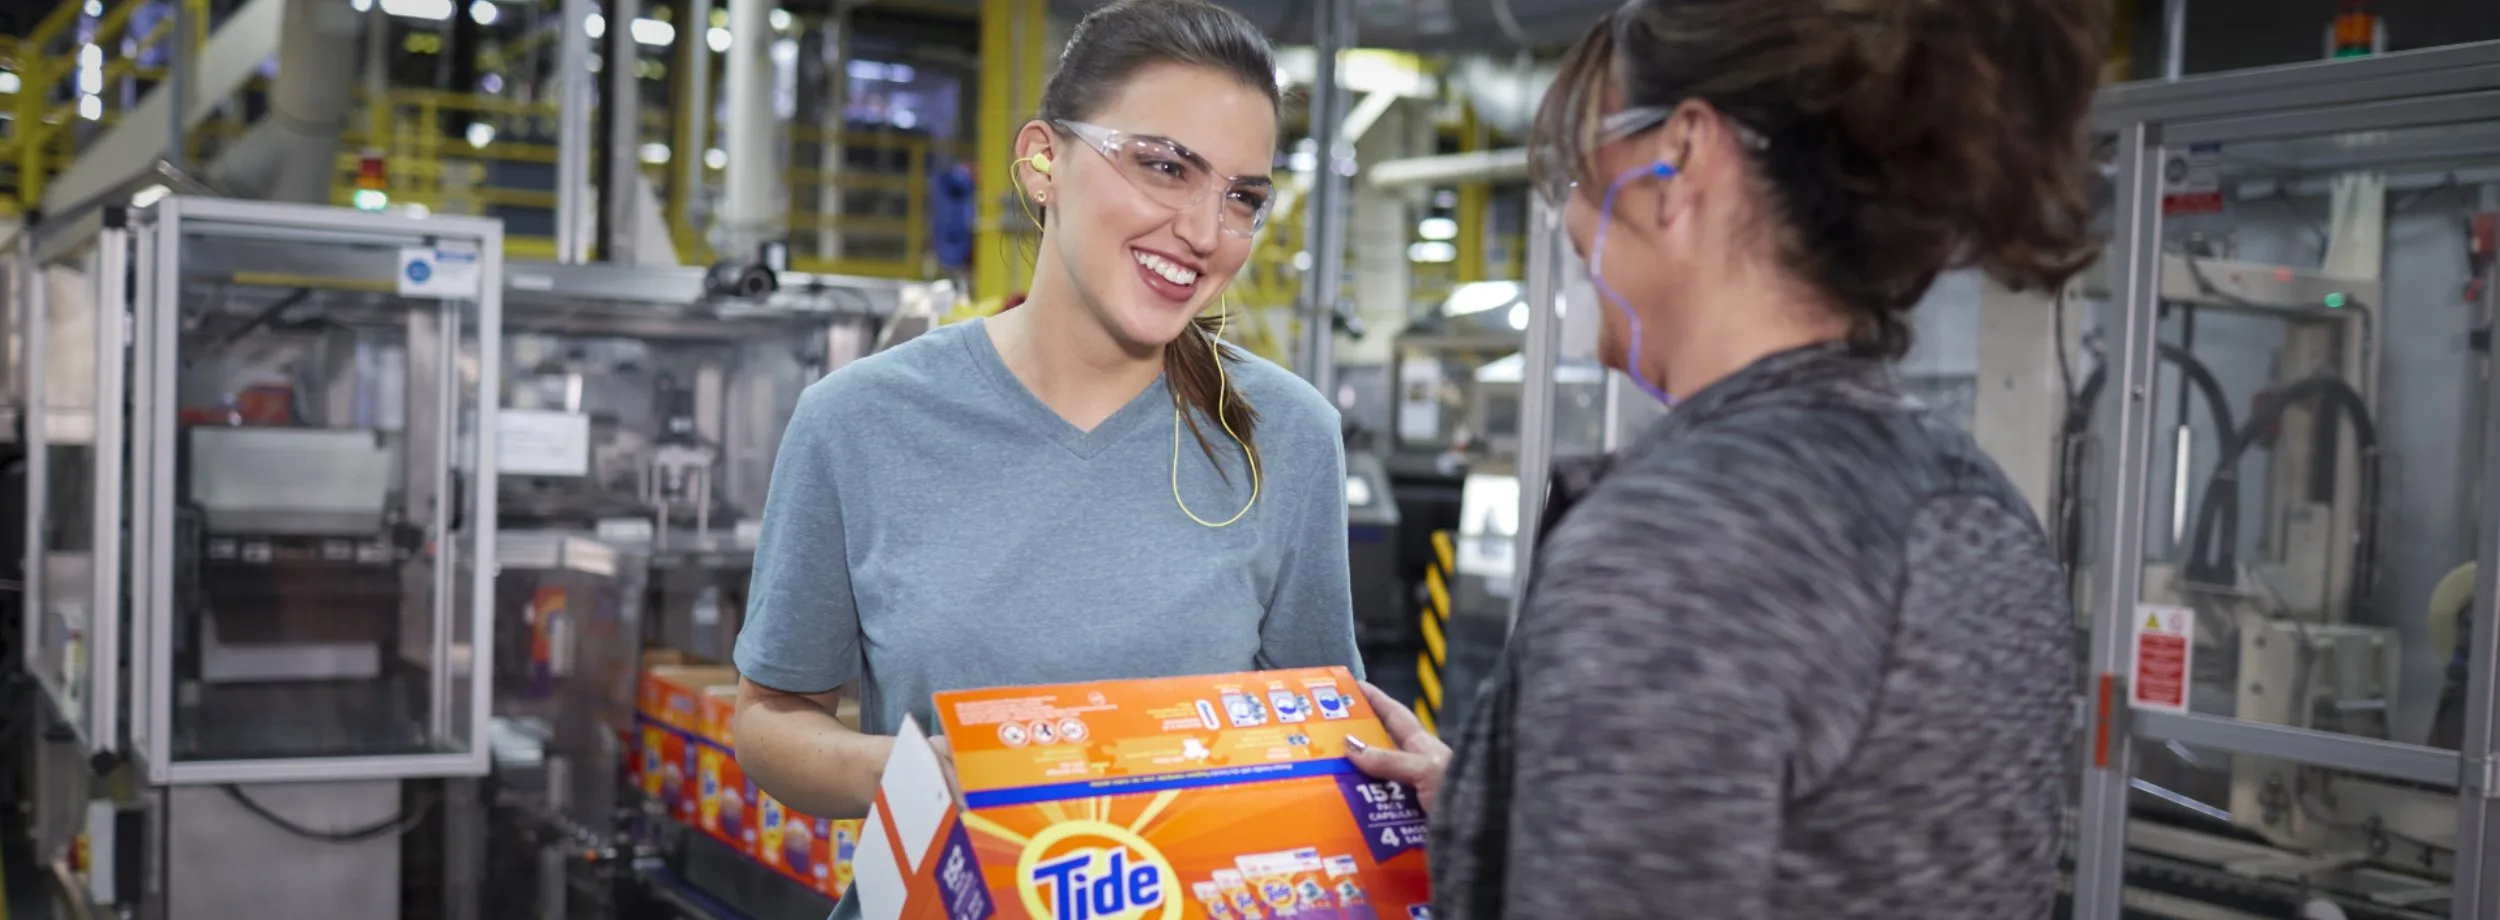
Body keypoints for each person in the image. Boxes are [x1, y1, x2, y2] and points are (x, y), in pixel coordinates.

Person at [1346, 0, 2103, 917]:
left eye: (1579, 167)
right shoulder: (1969, 495)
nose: (1574, 217)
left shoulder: (1682, 542)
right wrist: (1501, 804)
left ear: (1683, 162)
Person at [730, 2, 1359, 914]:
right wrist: (927, 776)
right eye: (1164, 165)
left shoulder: (1285, 436)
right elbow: (771, 721)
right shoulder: (859, 422)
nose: (1204, 230)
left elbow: (1321, 741)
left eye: (1243, 198)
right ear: (1042, 160)